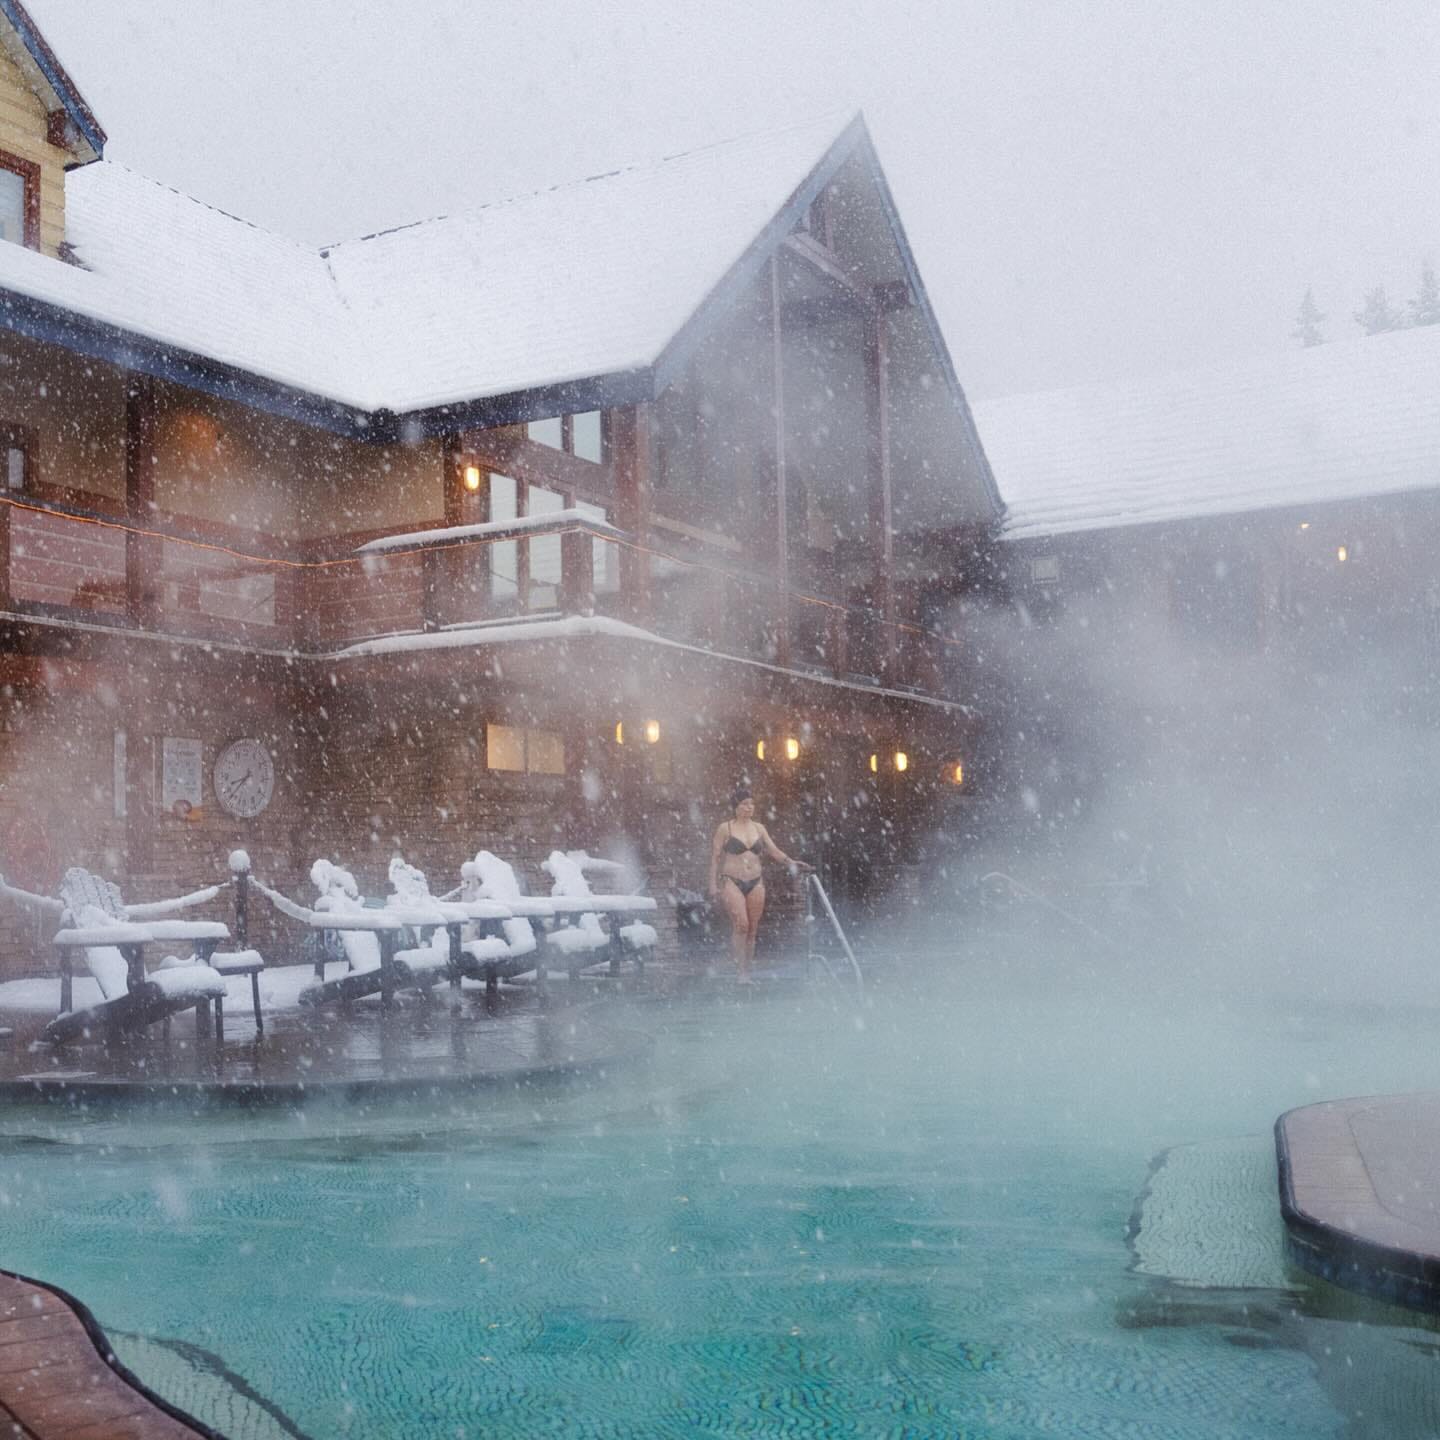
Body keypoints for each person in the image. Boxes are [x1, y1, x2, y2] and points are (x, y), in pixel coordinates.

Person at [708, 787, 813, 983]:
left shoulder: (759, 828)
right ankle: (740, 971)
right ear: (736, 807)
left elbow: (773, 851)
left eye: (751, 804)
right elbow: (715, 857)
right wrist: (712, 884)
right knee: (741, 924)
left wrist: (792, 862)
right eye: (745, 804)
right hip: (732, 880)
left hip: (756, 881)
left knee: (753, 928)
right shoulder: (725, 828)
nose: (749, 808)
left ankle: (746, 972)